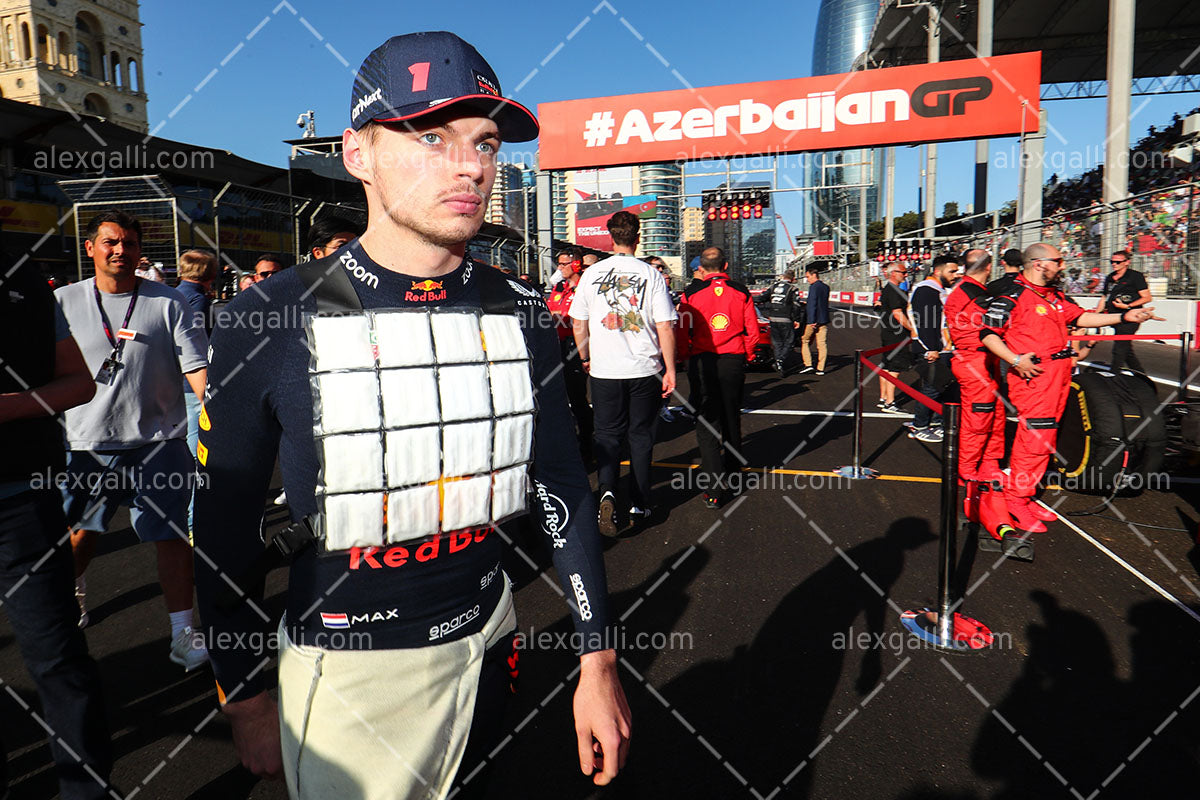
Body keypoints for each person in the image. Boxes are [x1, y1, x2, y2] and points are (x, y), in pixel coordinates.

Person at [194, 32, 629, 799]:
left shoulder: (524, 310)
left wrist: (596, 659)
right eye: (431, 137)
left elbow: (560, 482)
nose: (471, 166)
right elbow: (224, 527)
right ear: (357, 154)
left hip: (493, 637)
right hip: (350, 678)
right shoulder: (267, 318)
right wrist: (247, 696)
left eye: (486, 142)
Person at [54, 210, 210, 672]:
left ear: (142, 251)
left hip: (158, 443)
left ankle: (183, 633)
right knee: (81, 536)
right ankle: (73, 599)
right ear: (91, 248)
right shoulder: (62, 302)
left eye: (130, 243)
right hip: (86, 444)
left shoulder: (168, 302)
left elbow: (196, 367)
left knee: (173, 539)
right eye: (110, 242)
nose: (121, 250)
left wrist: (221, 414)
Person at [0, 255, 114, 800]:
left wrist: (15, 406)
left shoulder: (21, 280)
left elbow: (78, 382)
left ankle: (86, 792)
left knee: (59, 659)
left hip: (22, 501)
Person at [979, 242, 1162, 532]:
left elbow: (1080, 317)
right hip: (1035, 376)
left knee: (1046, 439)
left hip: (1059, 375)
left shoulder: (1053, 295)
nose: (1063, 266)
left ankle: (1025, 495)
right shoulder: (1013, 295)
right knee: (1034, 440)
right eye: (1058, 261)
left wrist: (1123, 317)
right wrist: (1015, 359)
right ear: (1039, 264)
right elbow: (988, 334)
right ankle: (1016, 499)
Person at [571, 211, 677, 534]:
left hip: (605, 369)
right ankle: (640, 503)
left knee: (607, 436)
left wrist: (586, 357)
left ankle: (606, 492)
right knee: (641, 437)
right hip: (644, 368)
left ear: (610, 237)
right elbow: (665, 327)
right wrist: (670, 368)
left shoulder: (592, 274)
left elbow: (578, 323)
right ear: (638, 237)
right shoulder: (652, 274)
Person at [676, 247, 757, 508]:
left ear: (702, 267)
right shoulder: (741, 290)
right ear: (725, 266)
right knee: (731, 418)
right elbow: (752, 330)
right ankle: (734, 477)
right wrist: (748, 355)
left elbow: (681, 330)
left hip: (703, 361)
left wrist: (684, 355)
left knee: (707, 424)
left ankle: (713, 490)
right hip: (732, 360)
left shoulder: (691, 294)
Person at [944, 249, 1004, 481]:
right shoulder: (970, 293)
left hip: (982, 359)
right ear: (989, 267)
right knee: (978, 419)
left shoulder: (971, 291)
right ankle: (967, 471)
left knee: (994, 415)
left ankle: (989, 464)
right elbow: (992, 327)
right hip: (975, 360)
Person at [175, 249, 219, 530]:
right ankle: (193, 522)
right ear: (210, 274)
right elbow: (198, 348)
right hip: (194, 386)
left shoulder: (173, 295)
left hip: (174, 385)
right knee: (197, 456)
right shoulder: (197, 301)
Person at [546, 247, 594, 461]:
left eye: (564, 264)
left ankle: (587, 443)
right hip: (557, 347)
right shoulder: (559, 287)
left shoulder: (586, 288)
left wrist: (560, 318)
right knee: (557, 398)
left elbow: (578, 320)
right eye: (559, 263)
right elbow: (549, 313)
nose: (560, 268)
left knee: (577, 398)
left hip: (576, 347)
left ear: (576, 264)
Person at [906, 255, 960, 442]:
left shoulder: (937, 290)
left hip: (942, 348)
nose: (956, 274)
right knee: (931, 389)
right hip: (931, 349)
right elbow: (925, 323)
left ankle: (936, 423)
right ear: (938, 271)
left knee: (941, 387)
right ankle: (919, 425)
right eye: (952, 271)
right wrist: (931, 349)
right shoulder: (926, 290)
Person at [1096, 249, 1153, 373]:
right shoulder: (1110, 278)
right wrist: (1096, 315)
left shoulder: (1136, 276)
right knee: (1126, 350)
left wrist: (1128, 306)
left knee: (1119, 349)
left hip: (1131, 318)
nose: (1114, 264)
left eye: (1117, 262)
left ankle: (1113, 375)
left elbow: (1147, 297)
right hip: (1115, 317)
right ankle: (1141, 376)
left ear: (1127, 262)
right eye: (1112, 262)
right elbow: (1104, 297)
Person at [877, 262, 916, 415]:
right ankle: (889, 402)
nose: (905, 275)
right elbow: (897, 313)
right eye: (903, 272)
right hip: (896, 335)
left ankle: (883, 397)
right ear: (894, 273)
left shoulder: (889, 289)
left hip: (888, 333)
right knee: (895, 368)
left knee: (887, 366)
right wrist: (912, 330)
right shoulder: (893, 291)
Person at [763, 270, 801, 374]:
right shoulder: (793, 288)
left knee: (777, 343)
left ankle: (779, 364)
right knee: (789, 341)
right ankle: (780, 361)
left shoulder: (773, 287)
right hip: (786, 319)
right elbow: (796, 305)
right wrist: (797, 319)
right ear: (792, 278)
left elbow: (762, 297)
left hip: (773, 318)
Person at [798, 266, 830, 375]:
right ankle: (821, 368)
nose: (807, 279)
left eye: (808, 277)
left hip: (813, 320)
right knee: (822, 344)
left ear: (813, 275)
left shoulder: (813, 287)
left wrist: (812, 321)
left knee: (805, 340)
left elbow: (812, 305)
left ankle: (808, 365)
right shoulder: (826, 287)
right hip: (823, 320)